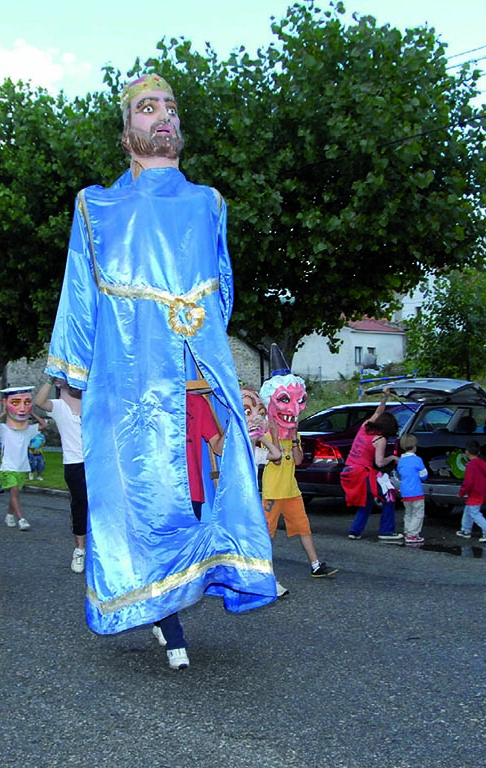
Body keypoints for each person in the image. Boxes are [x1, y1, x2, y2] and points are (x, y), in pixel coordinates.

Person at [44, 72, 275, 669]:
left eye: (170, 107)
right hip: (131, 377)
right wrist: (72, 372)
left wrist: (208, 356)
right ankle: (161, 613)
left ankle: (205, 582)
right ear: (127, 133)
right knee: (141, 497)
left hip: (199, 375)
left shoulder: (209, 202)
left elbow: (221, 291)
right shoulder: (97, 205)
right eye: (147, 108)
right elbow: (79, 290)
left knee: (209, 491)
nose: (163, 117)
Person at [258, 347, 337, 585]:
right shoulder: (264, 434)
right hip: (272, 492)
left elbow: (299, 460)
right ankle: (260, 571)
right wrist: (273, 437)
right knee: (266, 534)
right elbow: (275, 458)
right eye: (285, 400)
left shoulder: (293, 433)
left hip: (292, 491)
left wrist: (293, 438)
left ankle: (316, 565)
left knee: (303, 527)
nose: (294, 409)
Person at [34, 380, 87, 573]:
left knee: (101, 506)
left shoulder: (91, 401)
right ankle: (80, 549)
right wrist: (50, 378)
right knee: (80, 504)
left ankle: (101, 549)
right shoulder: (60, 407)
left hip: (96, 462)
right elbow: (39, 402)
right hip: (74, 462)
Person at [341, 389, 403, 542]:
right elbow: (380, 462)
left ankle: (355, 531)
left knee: (367, 500)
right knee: (389, 496)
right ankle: (387, 532)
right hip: (363, 472)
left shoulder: (365, 426)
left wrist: (385, 397)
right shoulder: (380, 439)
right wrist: (393, 457)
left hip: (349, 471)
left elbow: (378, 411)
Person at [0, 386, 47, 530]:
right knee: (14, 491)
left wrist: (33, 413)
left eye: (26, 403)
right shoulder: (4, 429)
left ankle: (9, 514)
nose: (22, 408)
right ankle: (21, 519)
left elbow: (43, 425)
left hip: (22, 466)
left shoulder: (28, 430)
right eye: (16, 403)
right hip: (8, 467)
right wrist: (3, 412)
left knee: (14, 493)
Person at [456, 440, 486, 542]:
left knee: (474, 513)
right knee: (468, 511)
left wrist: (461, 492)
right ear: (478, 452)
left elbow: (468, 482)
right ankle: (465, 530)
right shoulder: (483, 464)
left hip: (474, 493)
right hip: (483, 492)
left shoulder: (471, 465)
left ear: (467, 452)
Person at [396, 434, 428, 545]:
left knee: (408, 513)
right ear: (415, 447)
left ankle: (408, 530)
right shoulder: (417, 460)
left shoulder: (401, 461)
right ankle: (413, 534)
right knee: (418, 513)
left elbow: (399, 474)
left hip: (405, 492)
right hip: (416, 491)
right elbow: (424, 474)